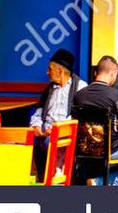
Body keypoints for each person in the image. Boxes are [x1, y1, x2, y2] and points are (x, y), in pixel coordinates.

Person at [71, 55, 118, 182]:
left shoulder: (78, 96)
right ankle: (99, 181)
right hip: (110, 149)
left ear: (95, 73)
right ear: (113, 73)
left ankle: (95, 180)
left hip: (83, 149)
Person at [30, 48, 83, 181]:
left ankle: (54, 178)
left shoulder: (80, 88)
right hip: (46, 133)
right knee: (27, 142)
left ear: (60, 71)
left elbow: (79, 115)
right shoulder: (49, 89)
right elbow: (39, 111)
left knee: (49, 142)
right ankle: (39, 179)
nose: (47, 73)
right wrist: (37, 126)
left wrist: (56, 129)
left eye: (50, 69)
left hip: (65, 134)